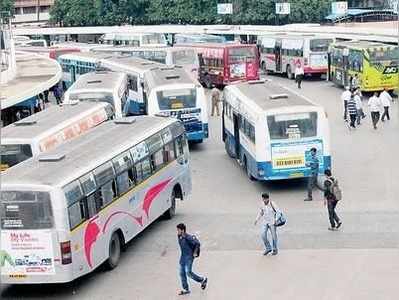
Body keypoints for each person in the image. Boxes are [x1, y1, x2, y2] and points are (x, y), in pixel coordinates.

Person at [176, 223, 207, 296]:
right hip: (183, 257)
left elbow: (197, 243)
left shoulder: (188, 237)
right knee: (181, 273)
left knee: (188, 272)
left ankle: (202, 280)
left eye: (178, 230)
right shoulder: (179, 236)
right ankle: (186, 289)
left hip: (189, 257)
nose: (177, 231)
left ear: (183, 230)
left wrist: (195, 252)